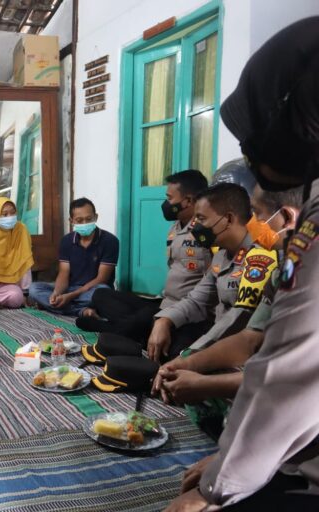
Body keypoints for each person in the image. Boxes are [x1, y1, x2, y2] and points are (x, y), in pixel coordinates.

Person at [164, 17, 319, 511]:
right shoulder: (261, 244)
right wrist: (180, 351)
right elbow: (259, 334)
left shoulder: (279, 245)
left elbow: (287, 370)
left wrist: (218, 485)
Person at [152, 185, 301, 439]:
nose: (252, 222)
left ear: (287, 217)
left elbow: (292, 374)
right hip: (249, 355)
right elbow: (249, 336)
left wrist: (201, 377)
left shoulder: (263, 260)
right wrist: (184, 355)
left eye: (256, 213)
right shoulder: (279, 270)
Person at [76, 170, 211, 341]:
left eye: (169, 198)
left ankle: (113, 328)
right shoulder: (175, 228)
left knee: (144, 317)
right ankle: (137, 328)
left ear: (188, 201)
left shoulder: (206, 232)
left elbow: (210, 286)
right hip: (165, 302)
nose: (166, 204)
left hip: (186, 309)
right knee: (101, 295)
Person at [28, 197, 119, 316]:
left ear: (96, 217)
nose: (84, 223)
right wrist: (56, 293)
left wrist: (70, 297)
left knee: (103, 293)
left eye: (88, 219)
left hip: (93, 290)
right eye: (79, 220)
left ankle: (54, 306)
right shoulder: (67, 241)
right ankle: (82, 311)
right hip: (70, 288)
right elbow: (64, 273)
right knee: (34, 289)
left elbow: (101, 278)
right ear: (71, 221)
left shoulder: (110, 241)